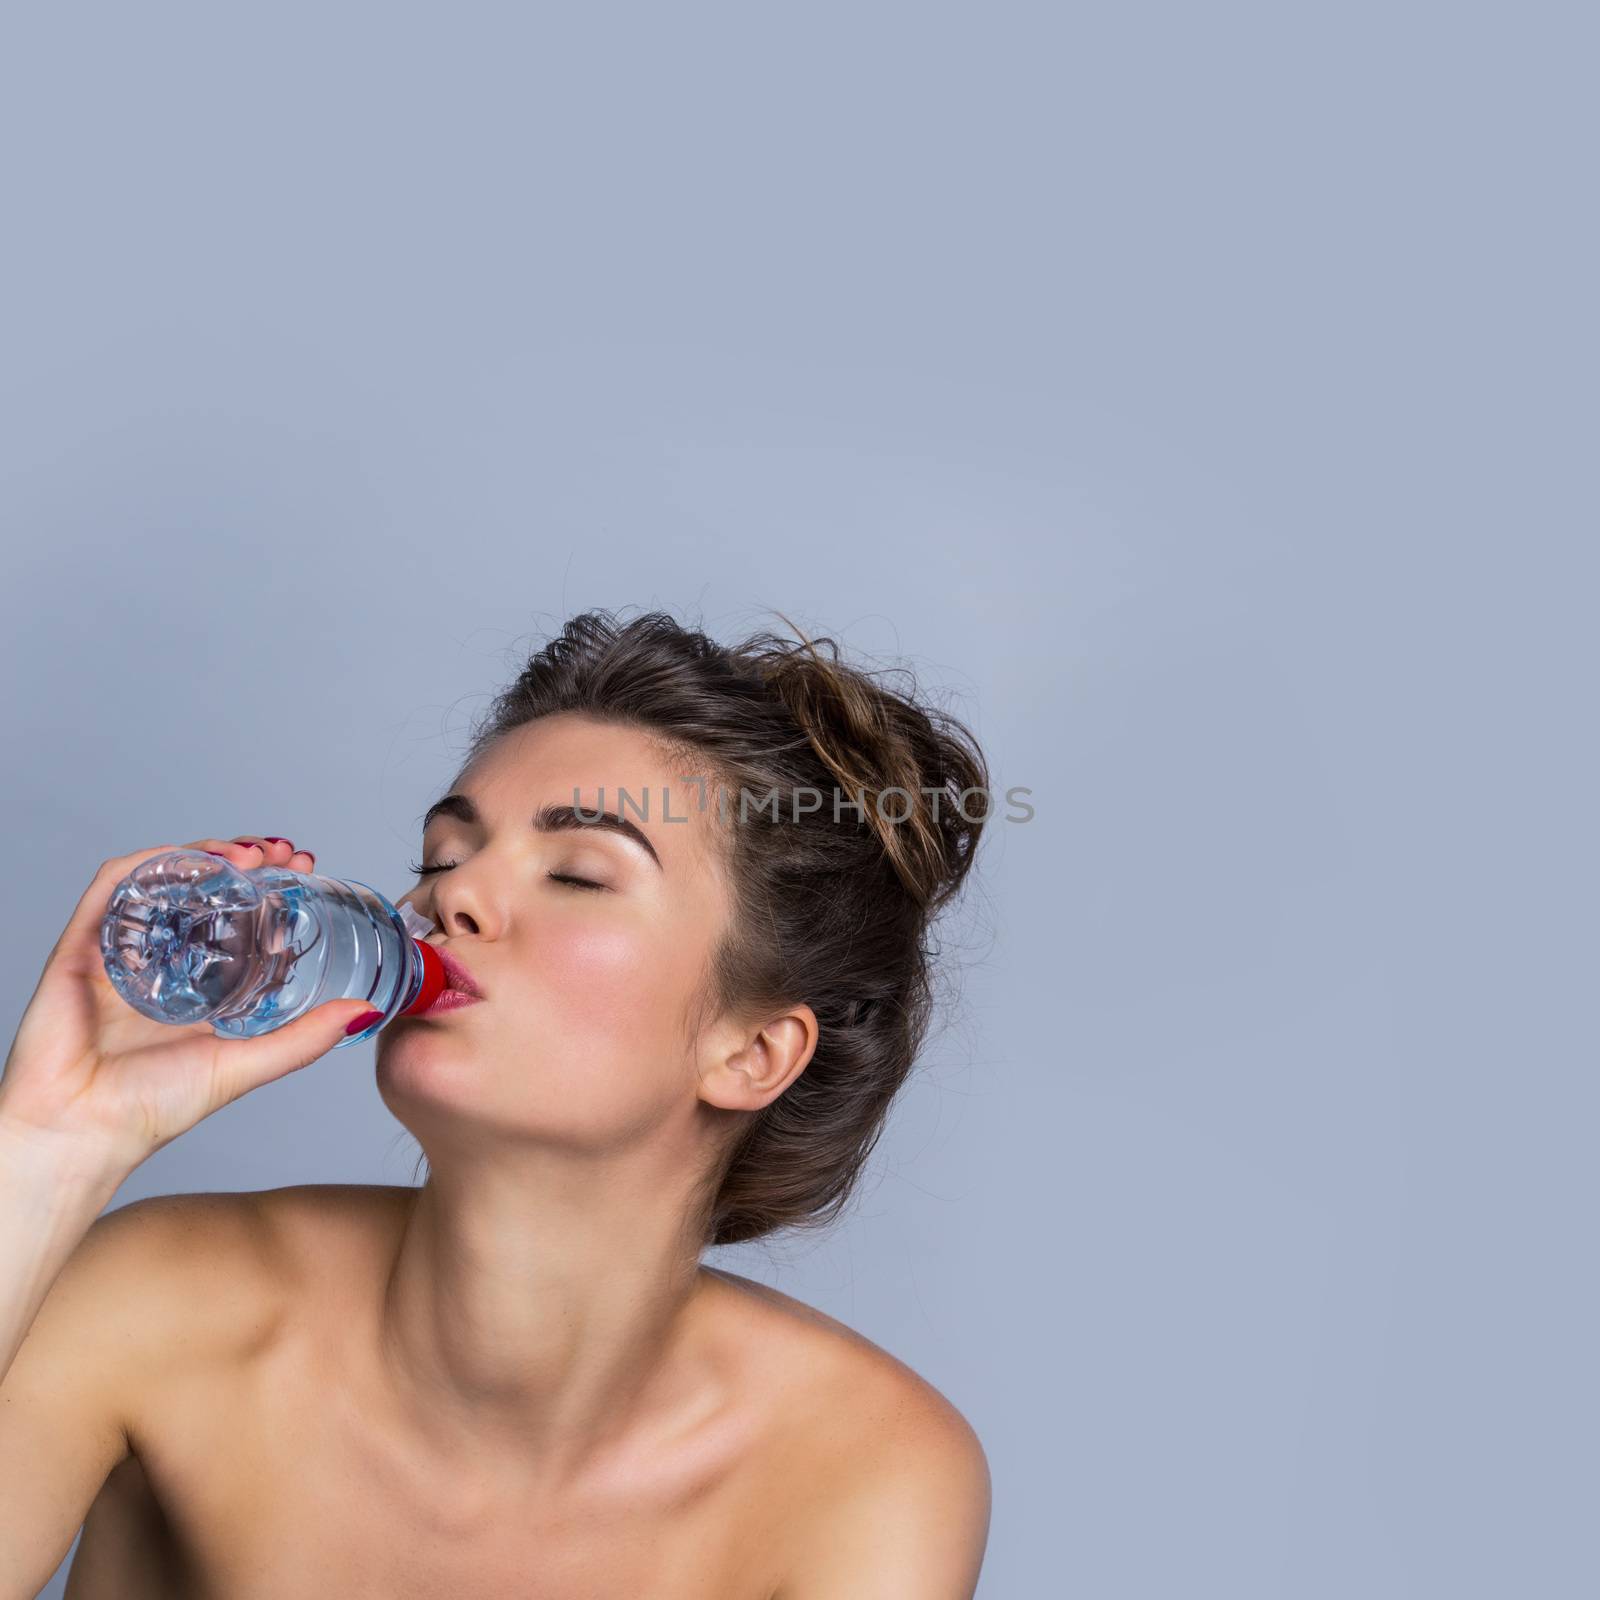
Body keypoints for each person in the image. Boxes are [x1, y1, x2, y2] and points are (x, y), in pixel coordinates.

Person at [0, 609, 994, 1598]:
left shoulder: (862, 1471)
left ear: (751, 1051)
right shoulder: (166, 1301)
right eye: (441, 856)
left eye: (577, 873)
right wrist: (50, 1142)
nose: (454, 894)